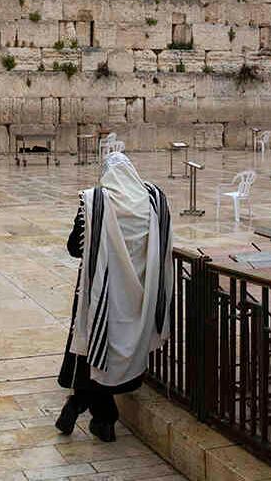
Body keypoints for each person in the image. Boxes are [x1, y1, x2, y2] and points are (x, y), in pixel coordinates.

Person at [56, 151, 173, 441]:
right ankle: (102, 420)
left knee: (93, 345)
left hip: (102, 290)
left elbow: (74, 246)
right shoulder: (152, 202)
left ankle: (84, 406)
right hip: (139, 295)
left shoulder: (97, 202)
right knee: (113, 349)